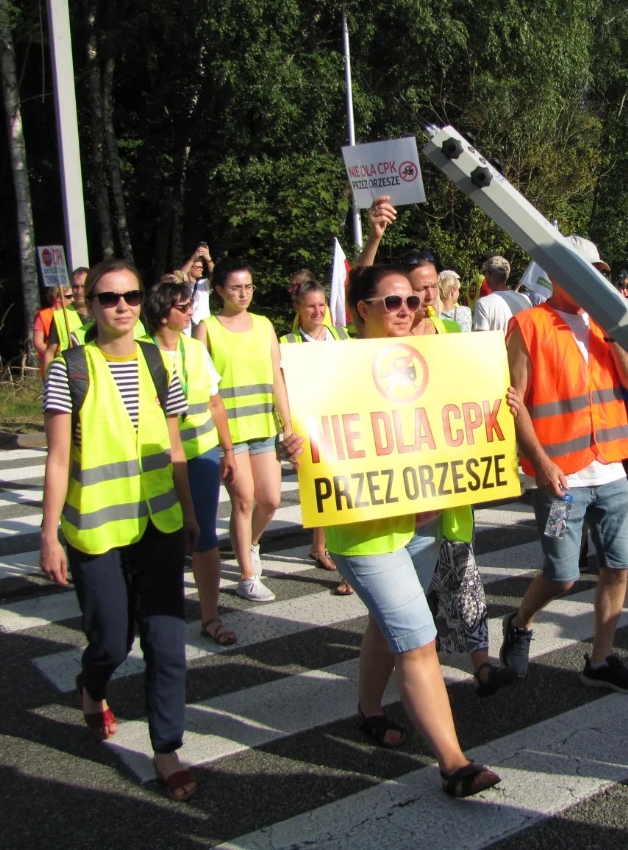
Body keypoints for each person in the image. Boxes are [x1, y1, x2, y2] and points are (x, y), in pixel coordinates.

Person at [328, 264, 501, 798]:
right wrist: (295, 441)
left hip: (423, 524)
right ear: (362, 310)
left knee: (387, 625)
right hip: (364, 532)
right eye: (393, 303)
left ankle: (368, 710)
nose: (409, 311)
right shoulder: (330, 365)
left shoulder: (427, 357)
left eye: (413, 303)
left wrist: (499, 409)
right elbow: (310, 425)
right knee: (418, 637)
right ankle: (453, 762)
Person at [37, 259, 200, 801]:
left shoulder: (158, 363)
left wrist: (191, 512)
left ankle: (166, 749)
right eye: (108, 298)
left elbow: (175, 447)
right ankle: (92, 685)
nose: (122, 305)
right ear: (90, 306)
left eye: (130, 295)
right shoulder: (70, 368)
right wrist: (47, 534)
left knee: (167, 641)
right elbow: (58, 459)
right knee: (109, 640)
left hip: (158, 523)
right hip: (97, 527)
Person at [500, 235, 628, 694]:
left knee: (618, 566)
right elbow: (516, 402)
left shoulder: (609, 324)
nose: (596, 280)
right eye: (587, 271)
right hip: (560, 477)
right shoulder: (528, 324)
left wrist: (615, 328)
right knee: (562, 575)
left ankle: (600, 661)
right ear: (558, 274)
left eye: (599, 273)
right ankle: (520, 622)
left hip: (610, 469)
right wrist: (541, 464)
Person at [143, 281, 240, 645]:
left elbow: (214, 402)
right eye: (183, 307)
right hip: (157, 455)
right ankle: (154, 615)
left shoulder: (196, 349)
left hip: (200, 451)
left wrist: (228, 450)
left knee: (205, 534)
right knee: (160, 535)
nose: (190, 313)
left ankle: (210, 616)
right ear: (163, 312)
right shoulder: (142, 353)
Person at [193, 258, 295, 603]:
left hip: (263, 427)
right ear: (219, 289)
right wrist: (219, 441)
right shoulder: (207, 327)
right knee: (244, 500)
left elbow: (277, 377)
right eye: (236, 287)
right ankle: (247, 576)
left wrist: (288, 424)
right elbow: (202, 383)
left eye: (249, 286)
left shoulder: (264, 325)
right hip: (228, 432)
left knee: (270, 499)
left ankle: (250, 543)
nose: (244, 293)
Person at [280, 280, 353, 595]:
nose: (318, 311)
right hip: (309, 425)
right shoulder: (288, 341)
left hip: (342, 421)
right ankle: (320, 546)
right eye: (310, 306)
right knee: (324, 491)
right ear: (298, 309)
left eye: (322, 304)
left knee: (346, 492)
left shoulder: (341, 335)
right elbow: (281, 388)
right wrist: (287, 429)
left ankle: (344, 563)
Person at [474, 255, 531, 332]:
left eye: (484, 273)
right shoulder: (525, 299)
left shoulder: (483, 303)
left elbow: (482, 340)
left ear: (488, 274)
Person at [34, 286, 79, 377]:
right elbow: (38, 343)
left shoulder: (74, 314)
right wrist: (55, 353)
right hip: (52, 366)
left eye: (73, 296)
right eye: (69, 296)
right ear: (57, 297)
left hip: (74, 364)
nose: (72, 299)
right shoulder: (43, 315)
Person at [176, 243, 214, 332]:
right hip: (185, 327)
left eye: (202, 267)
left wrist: (208, 259)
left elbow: (217, 277)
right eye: (198, 267)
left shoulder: (204, 284)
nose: (202, 269)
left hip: (201, 326)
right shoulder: (183, 285)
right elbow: (178, 277)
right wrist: (193, 258)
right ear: (190, 267)